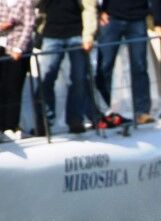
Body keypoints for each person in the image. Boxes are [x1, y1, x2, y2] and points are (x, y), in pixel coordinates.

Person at [37, 0, 98, 133]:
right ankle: (44, 121)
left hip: (77, 34)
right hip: (50, 33)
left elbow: (89, 7)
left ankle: (75, 120)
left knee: (78, 78)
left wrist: (88, 35)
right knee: (45, 78)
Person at [95, 0, 153, 125]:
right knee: (104, 66)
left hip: (138, 16)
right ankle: (106, 113)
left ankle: (142, 112)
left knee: (140, 66)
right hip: (111, 16)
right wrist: (99, 11)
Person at [0, 0, 35, 139]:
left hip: (18, 49)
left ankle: (12, 125)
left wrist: (19, 48)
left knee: (14, 87)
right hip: (0, 47)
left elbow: (29, 26)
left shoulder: (25, 2)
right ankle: (1, 125)